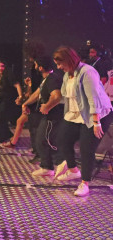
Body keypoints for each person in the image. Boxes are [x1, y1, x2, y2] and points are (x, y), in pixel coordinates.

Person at [53, 46, 113, 197]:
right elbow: (66, 95)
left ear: (69, 60)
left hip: (97, 114)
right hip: (76, 114)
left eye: (60, 64)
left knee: (87, 149)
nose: (58, 67)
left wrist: (96, 122)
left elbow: (94, 99)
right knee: (62, 139)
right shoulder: (68, 74)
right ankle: (73, 170)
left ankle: (85, 183)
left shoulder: (87, 72)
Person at [21, 56, 64, 177]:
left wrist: (47, 106)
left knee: (42, 140)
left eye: (35, 65)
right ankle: (48, 166)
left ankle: (50, 167)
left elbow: (56, 96)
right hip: (50, 116)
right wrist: (26, 103)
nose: (34, 67)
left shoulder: (52, 79)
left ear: (40, 67)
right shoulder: (46, 79)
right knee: (42, 139)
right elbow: (37, 93)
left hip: (53, 116)